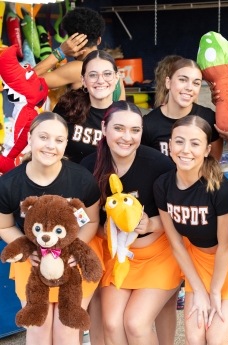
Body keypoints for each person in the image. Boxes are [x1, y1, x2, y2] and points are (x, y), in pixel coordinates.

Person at [80, 101, 182, 345]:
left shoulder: (159, 165)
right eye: (119, 129)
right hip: (118, 257)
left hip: (159, 253)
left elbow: (179, 216)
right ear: (104, 129)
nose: (127, 137)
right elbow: (85, 221)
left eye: (135, 130)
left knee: (135, 324)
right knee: (112, 324)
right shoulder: (88, 167)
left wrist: (151, 225)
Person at [154, 115, 228, 344]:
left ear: (207, 149)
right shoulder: (162, 185)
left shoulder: (222, 189)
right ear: (170, 145)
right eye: (179, 141)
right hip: (199, 264)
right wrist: (199, 290)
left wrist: (213, 293)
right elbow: (176, 244)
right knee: (194, 336)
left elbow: (227, 245)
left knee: (216, 335)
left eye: (194, 143)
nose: (185, 150)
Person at [0, 112, 101, 345]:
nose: (50, 146)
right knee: (38, 327)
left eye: (58, 139)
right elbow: (4, 225)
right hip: (34, 257)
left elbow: (92, 222)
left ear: (66, 144)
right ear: (30, 138)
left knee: (65, 330)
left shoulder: (81, 180)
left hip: (76, 253)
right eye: (43, 137)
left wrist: (74, 250)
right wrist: (29, 251)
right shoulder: (9, 184)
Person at [34, 7, 125, 101]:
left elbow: (26, 81)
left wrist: (61, 52)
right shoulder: (115, 73)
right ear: (99, 40)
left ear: (70, 40)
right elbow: (122, 111)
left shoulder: (78, 68)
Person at [142, 58, 223, 161]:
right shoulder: (148, 124)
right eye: (182, 80)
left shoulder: (209, 118)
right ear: (168, 82)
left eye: (196, 83)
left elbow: (213, 165)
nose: (189, 87)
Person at [53, 50, 119, 163]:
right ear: (83, 80)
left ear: (117, 77)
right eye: (93, 75)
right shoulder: (67, 107)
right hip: (68, 178)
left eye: (107, 74)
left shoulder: (122, 116)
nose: (100, 81)